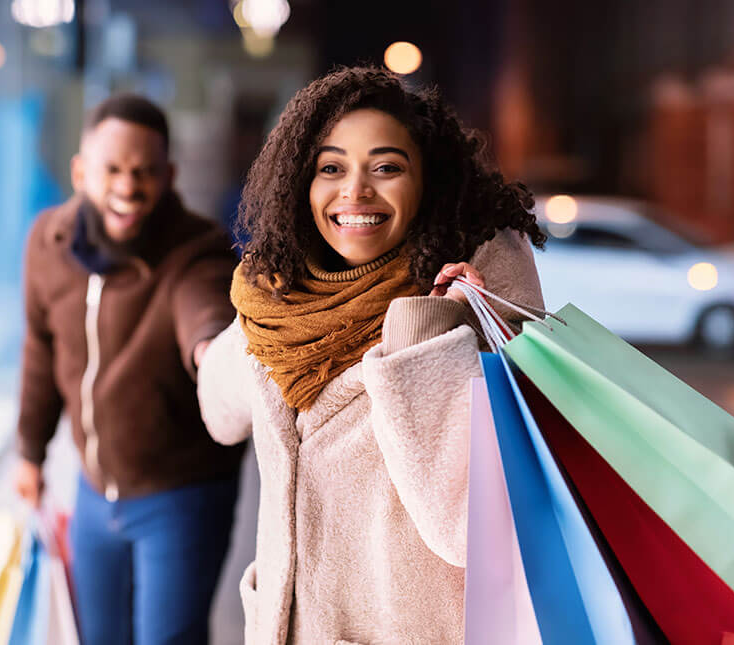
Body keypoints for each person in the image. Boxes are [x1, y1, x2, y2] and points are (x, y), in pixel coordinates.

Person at [196, 66, 547, 643]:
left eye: (386, 167)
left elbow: (468, 525)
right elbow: (221, 410)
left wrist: (426, 330)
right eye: (330, 168)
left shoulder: (476, 288)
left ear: (426, 180)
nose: (355, 192)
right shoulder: (280, 299)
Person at [14, 94, 245, 645]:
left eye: (144, 172)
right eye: (112, 169)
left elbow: (204, 311)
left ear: (168, 175)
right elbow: (41, 352)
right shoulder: (48, 243)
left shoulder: (198, 248)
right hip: (93, 492)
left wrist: (211, 354)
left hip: (181, 494)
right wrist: (29, 450)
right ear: (80, 171)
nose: (127, 186)